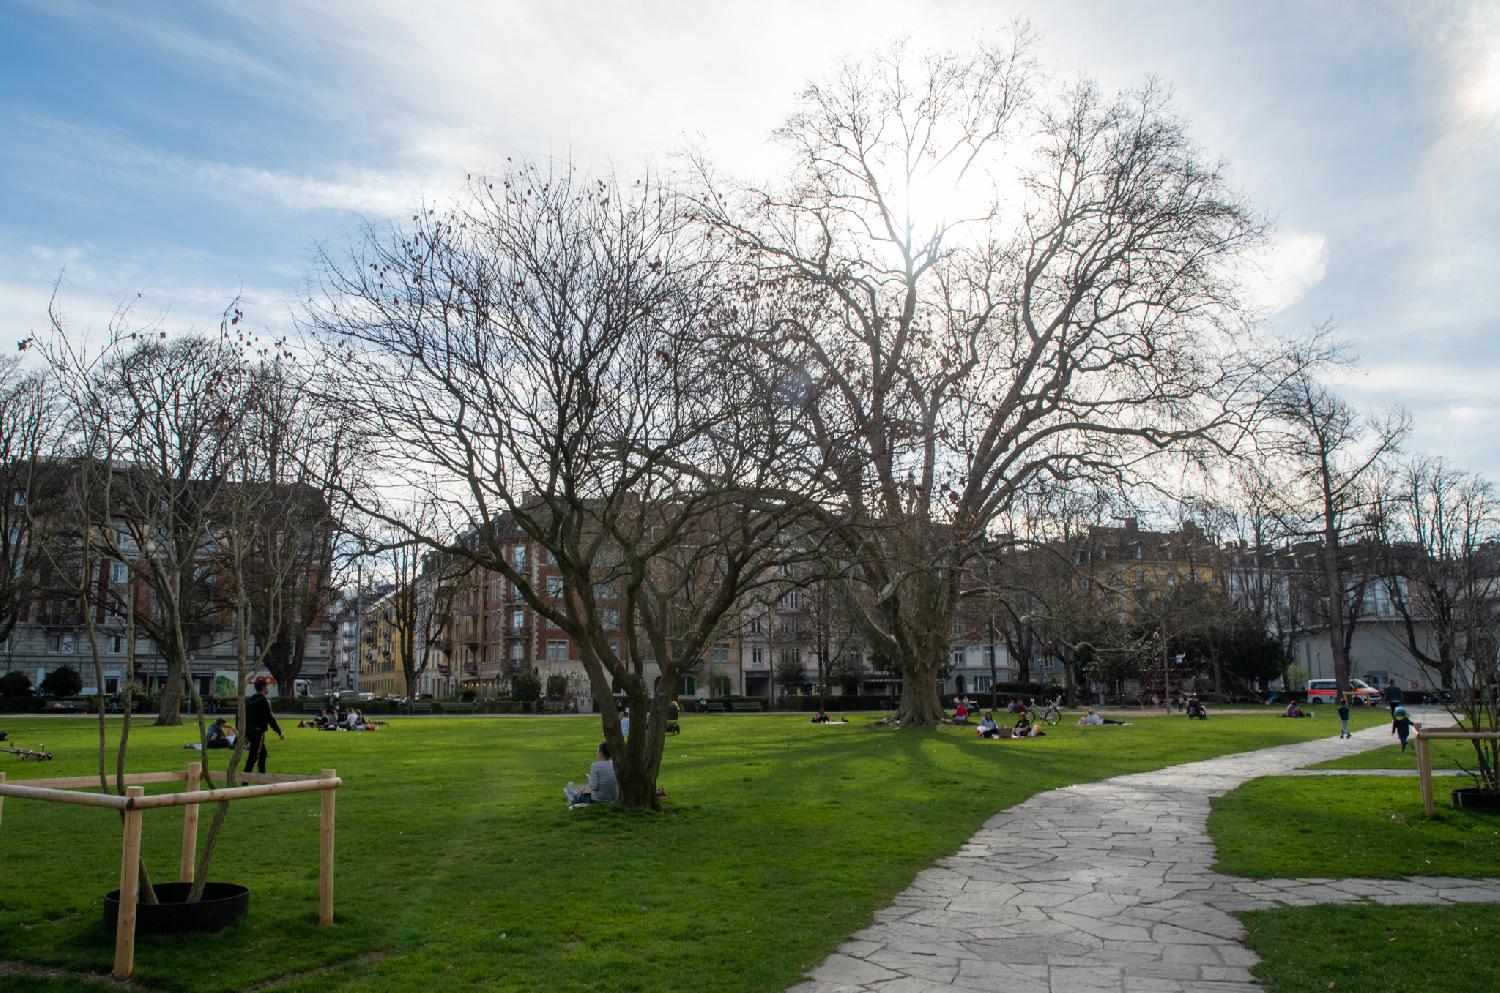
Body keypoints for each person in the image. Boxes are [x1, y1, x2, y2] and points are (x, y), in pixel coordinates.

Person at [243, 677, 284, 774]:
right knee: (253, 756)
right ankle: (244, 780)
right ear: (263, 688)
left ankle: (262, 776)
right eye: (267, 687)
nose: (268, 689)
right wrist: (279, 732)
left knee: (262, 754)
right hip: (258, 732)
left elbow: (241, 717)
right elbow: (270, 719)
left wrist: (244, 733)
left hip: (249, 731)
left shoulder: (248, 701)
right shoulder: (264, 702)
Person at [564, 741, 619, 808]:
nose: (596, 753)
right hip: (612, 798)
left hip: (598, 799)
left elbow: (594, 787)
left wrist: (589, 777)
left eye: (597, 751)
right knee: (582, 788)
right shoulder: (615, 764)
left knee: (581, 793)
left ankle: (572, 798)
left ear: (601, 753)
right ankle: (573, 791)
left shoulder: (595, 766)